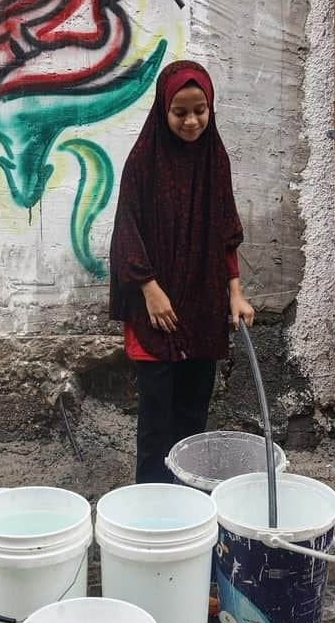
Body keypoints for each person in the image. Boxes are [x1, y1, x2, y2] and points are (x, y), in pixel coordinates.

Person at [109, 60, 254, 484]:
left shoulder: (215, 159)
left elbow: (225, 231)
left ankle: (189, 499)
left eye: (200, 111)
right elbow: (126, 231)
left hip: (203, 304)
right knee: (156, 418)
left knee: (193, 412)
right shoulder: (143, 162)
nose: (192, 121)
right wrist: (149, 289)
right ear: (162, 110)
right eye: (180, 112)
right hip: (155, 307)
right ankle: (151, 502)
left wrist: (235, 292)